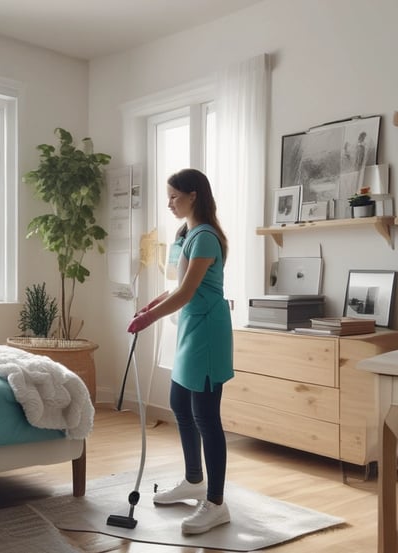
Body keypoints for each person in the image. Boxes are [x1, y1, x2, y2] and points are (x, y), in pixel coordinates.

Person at [127, 168, 233, 535]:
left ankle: (217, 503)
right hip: (190, 330)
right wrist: (150, 306)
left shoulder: (205, 237)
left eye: (174, 197)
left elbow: (188, 293)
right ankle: (193, 480)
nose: (169, 203)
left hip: (207, 334)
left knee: (206, 417)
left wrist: (149, 320)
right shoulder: (185, 234)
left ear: (194, 196)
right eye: (168, 197)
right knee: (178, 404)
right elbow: (177, 286)